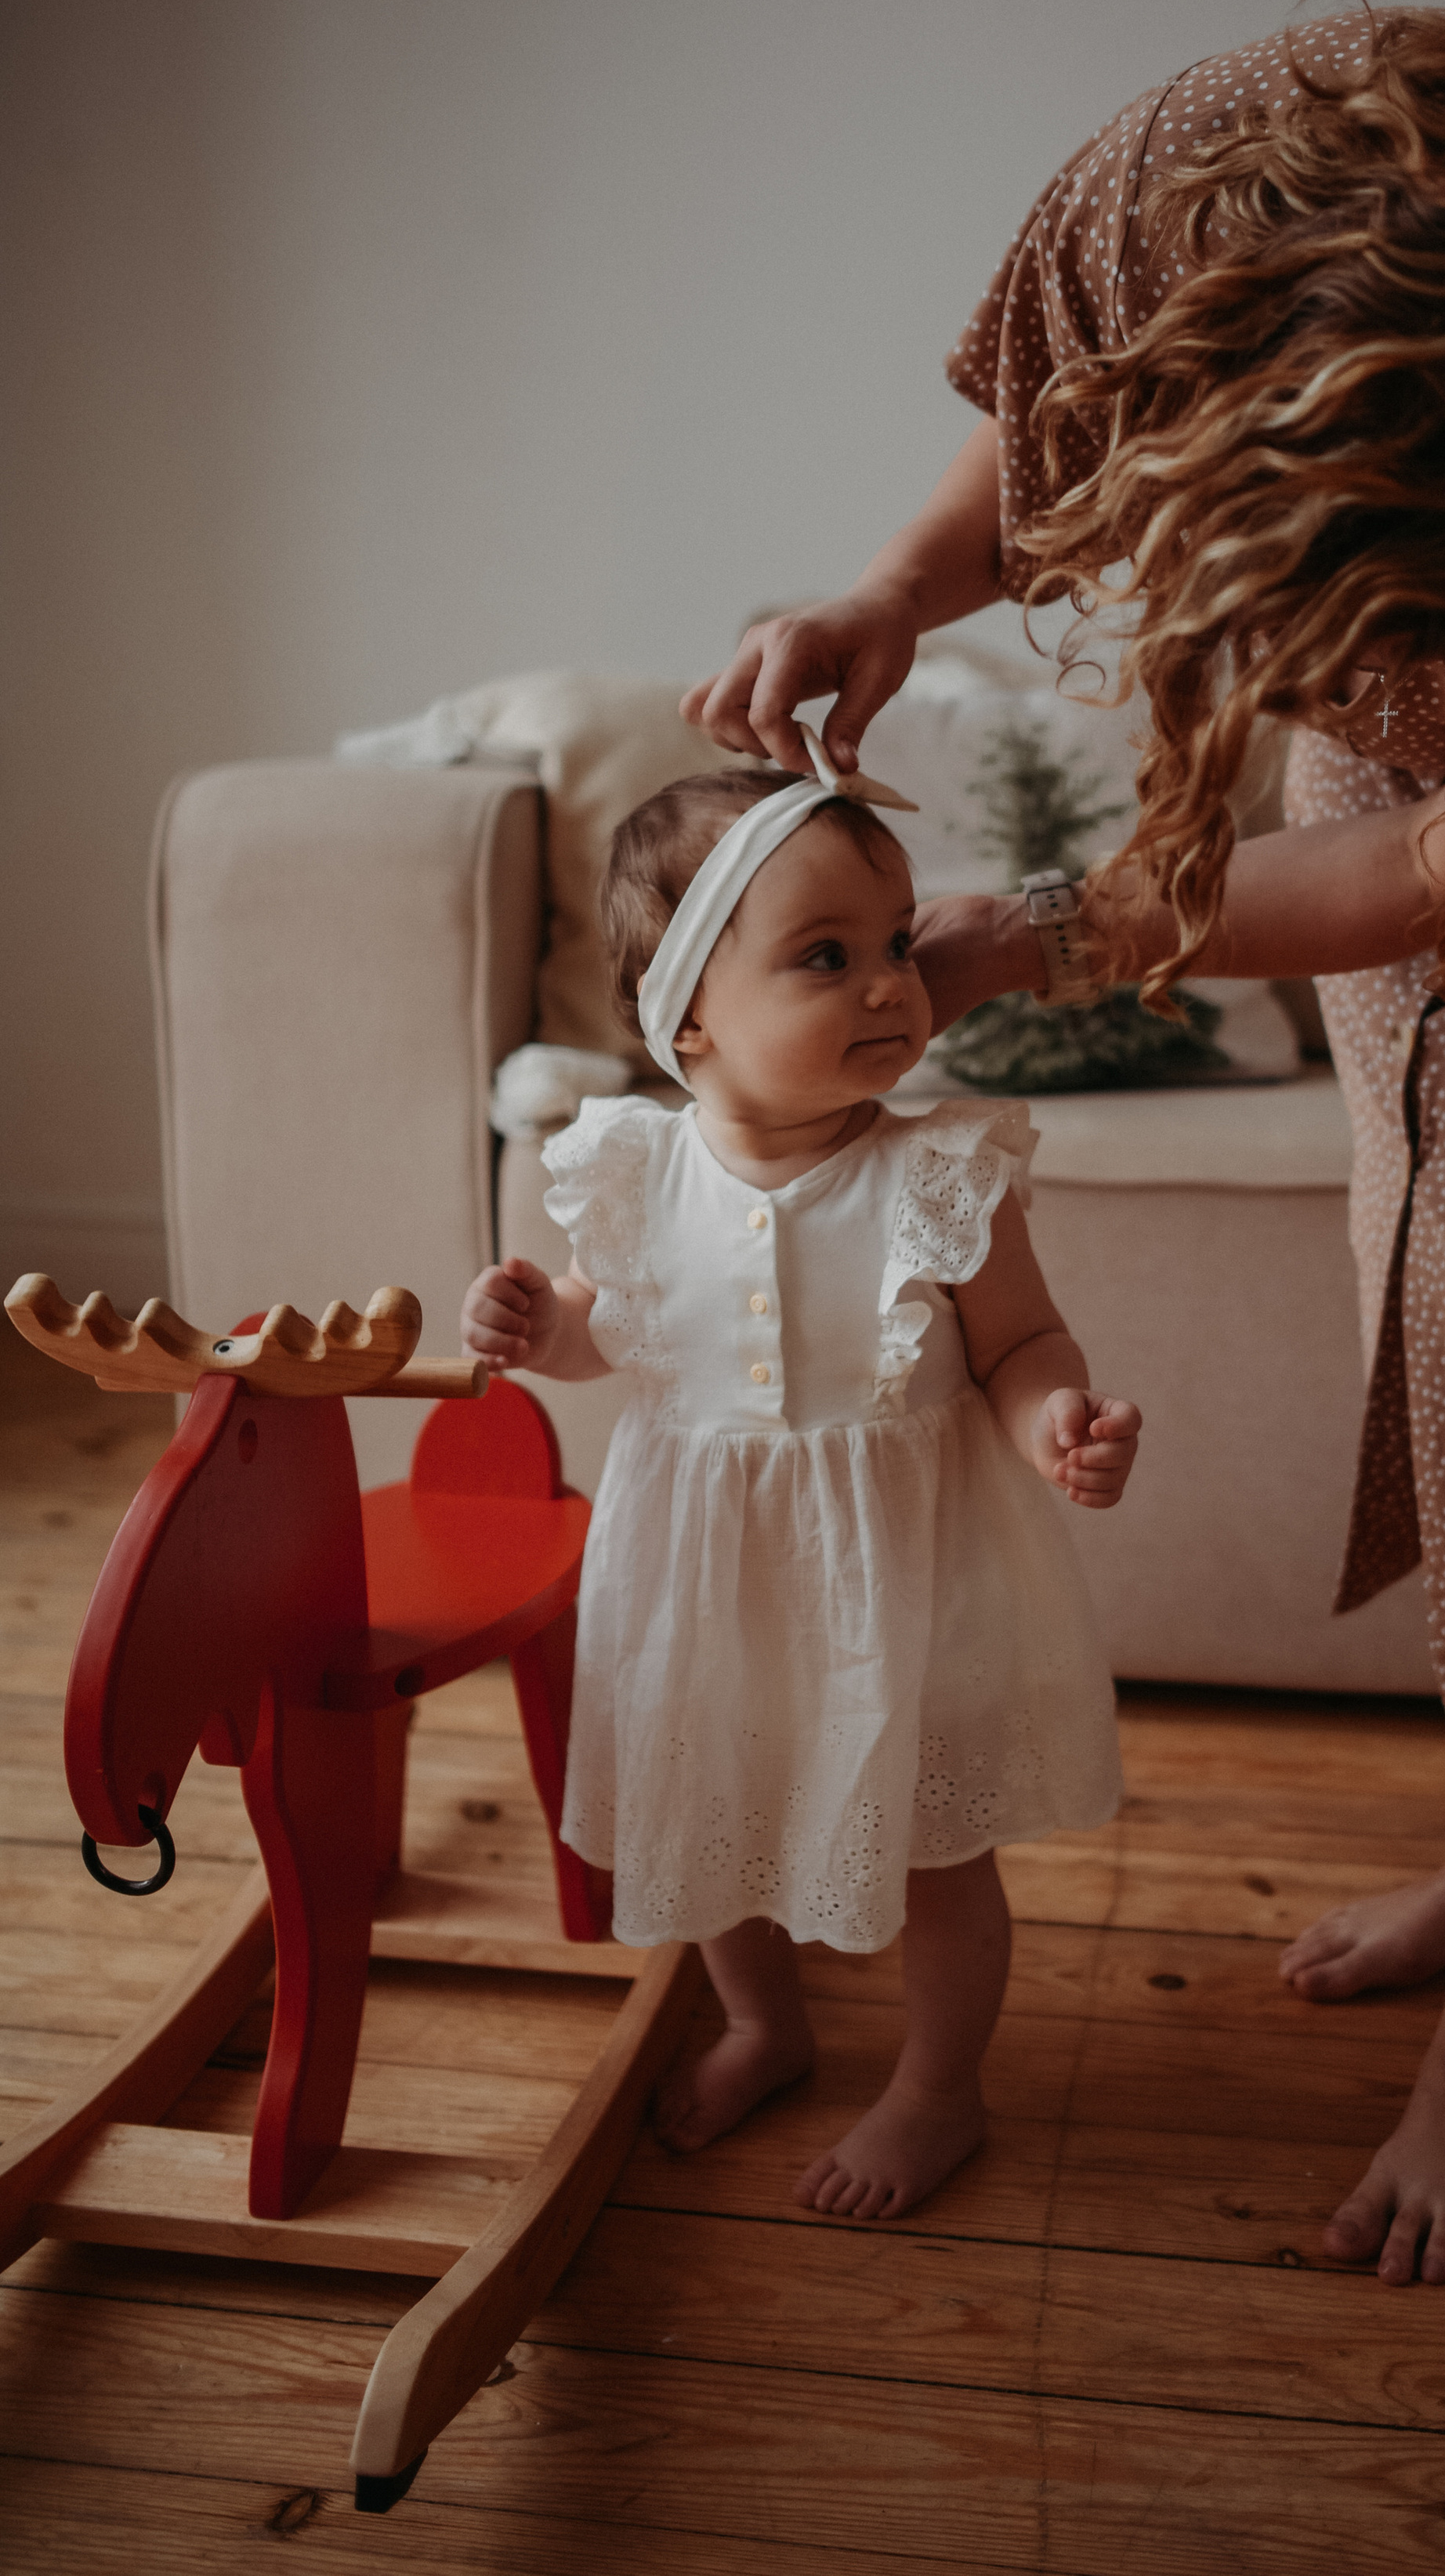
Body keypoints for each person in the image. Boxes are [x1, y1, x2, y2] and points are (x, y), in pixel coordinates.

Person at [681, 6, 1445, 2285]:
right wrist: (892, 585)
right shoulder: (1185, 171)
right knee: (1427, 1199)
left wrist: (1046, 934)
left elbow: (1435, 875)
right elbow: (1050, 432)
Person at [460, 764, 1138, 2220]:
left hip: (912, 1573)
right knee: (716, 1806)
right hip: (708, 1574)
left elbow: (1020, 1342)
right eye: (825, 956)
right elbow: (605, 1331)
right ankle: (765, 2021)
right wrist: (538, 1332)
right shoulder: (636, 1173)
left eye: (897, 939)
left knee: (942, 1848)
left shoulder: (939, 1170)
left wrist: (1054, 1421)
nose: (893, 983)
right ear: (687, 1014)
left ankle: (938, 2088)